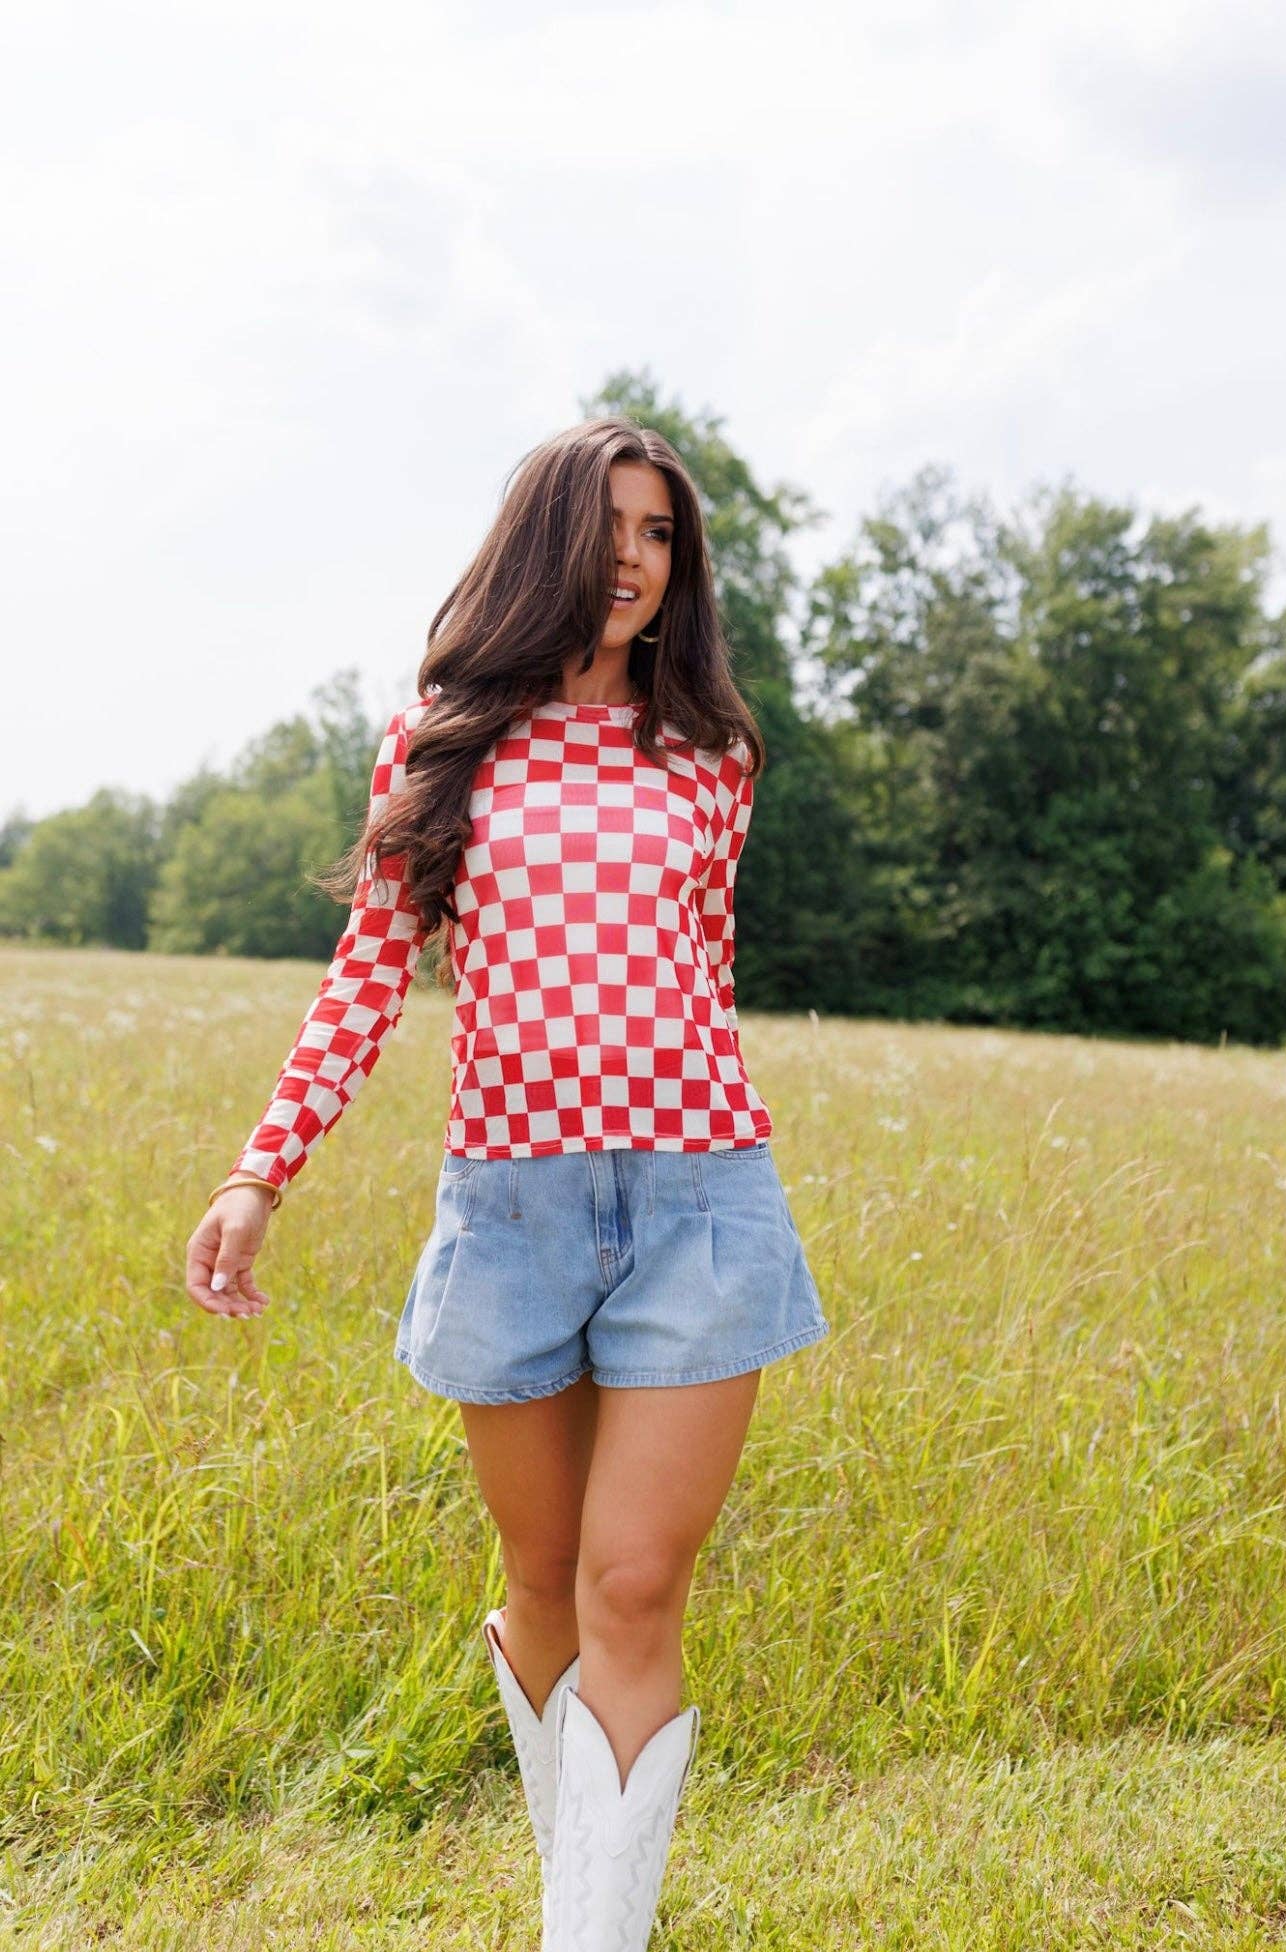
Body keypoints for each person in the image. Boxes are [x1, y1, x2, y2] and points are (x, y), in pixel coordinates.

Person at [184, 415, 831, 1949]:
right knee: (542, 1580)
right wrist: (259, 1171)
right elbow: (366, 980)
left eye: (661, 532)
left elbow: (702, 970)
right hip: (515, 1214)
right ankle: (576, 1889)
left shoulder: (713, 754)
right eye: (610, 525)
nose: (634, 556)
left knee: (627, 1587)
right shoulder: (444, 742)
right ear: (547, 540)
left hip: (699, 1196)